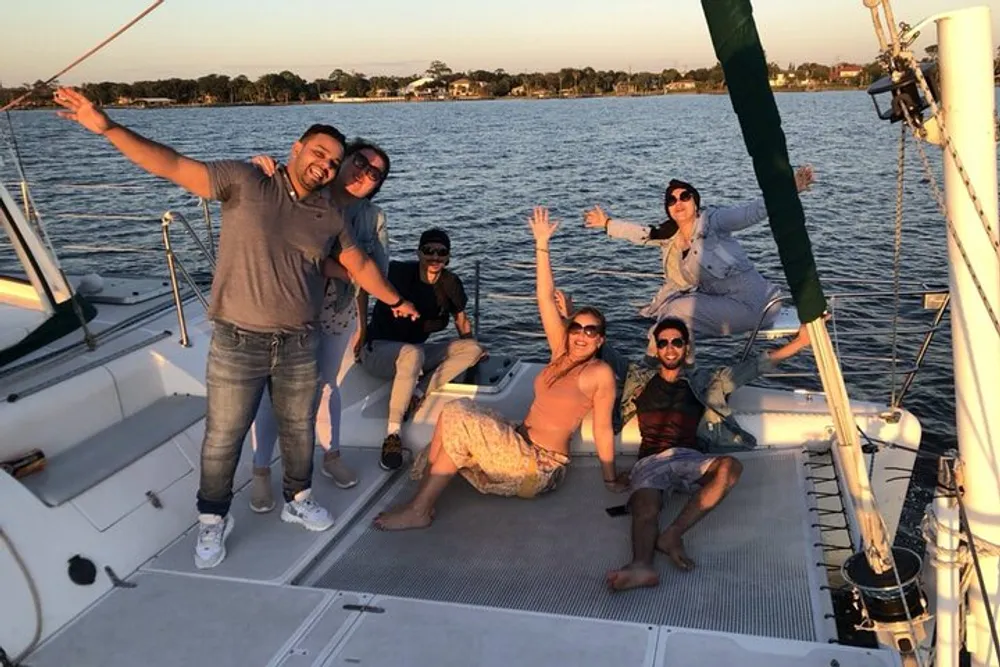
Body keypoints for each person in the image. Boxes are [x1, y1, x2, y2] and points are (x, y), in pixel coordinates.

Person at [52, 87, 418, 570]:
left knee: (299, 428)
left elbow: (357, 268)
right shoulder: (247, 179)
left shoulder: (330, 215)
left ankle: (298, 498)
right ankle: (212, 519)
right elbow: (172, 164)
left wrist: (399, 300)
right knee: (223, 437)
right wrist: (109, 128)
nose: (326, 166)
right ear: (296, 149)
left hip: (299, 339)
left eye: (332, 162)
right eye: (320, 154)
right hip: (237, 339)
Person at [373, 206, 627, 531]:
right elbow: (544, 298)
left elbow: (604, 429)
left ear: (600, 340)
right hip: (519, 442)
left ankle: (420, 508)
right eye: (576, 327)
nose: (581, 335)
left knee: (459, 420)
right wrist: (541, 245)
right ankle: (422, 498)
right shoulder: (559, 352)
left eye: (590, 331)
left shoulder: (598, 373)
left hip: (540, 467)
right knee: (457, 409)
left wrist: (610, 479)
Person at [605, 316, 813, 591]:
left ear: (686, 347)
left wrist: (800, 342)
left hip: (689, 457)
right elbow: (601, 348)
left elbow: (754, 367)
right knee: (646, 508)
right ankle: (641, 567)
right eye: (663, 342)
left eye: (677, 342)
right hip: (650, 462)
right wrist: (569, 317)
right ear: (655, 348)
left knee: (731, 467)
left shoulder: (707, 381)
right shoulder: (638, 377)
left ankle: (673, 535)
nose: (670, 348)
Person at [247, 140, 391, 512]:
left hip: (336, 310)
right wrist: (260, 167)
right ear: (342, 161)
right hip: (289, 307)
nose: (364, 173)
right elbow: (265, 205)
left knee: (327, 385)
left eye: (375, 173)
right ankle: (261, 471)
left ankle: (331, 456)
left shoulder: (373, 219)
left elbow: (372, 275)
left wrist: (362, 320)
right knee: (271, 390)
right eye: (359, 161)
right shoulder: (299, 193)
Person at [583, 167, 815, 347]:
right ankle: (673, 372)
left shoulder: (714, 221)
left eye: (684, 196)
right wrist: (607, 224)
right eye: (672, 201)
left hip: (755, 303)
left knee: (675, 312)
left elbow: (751, 212)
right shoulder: (670, 237)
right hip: (724, 303)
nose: (678, 203)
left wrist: (789, 189)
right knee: (671, 312)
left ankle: (658, 371)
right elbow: (641, 233)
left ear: (696, 202)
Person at [359, 228, 485, 471]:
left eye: (441, 252)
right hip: (379, 350)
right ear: (418, 252)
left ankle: (418, 393)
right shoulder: (397, 272)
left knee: (473, 349)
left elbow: (461, 319)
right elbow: (364, 283)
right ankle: (393, 435)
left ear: (448, 257)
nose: (435, 257)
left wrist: (470, 347)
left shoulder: (450, 283)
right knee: (412, 354)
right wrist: (360, 331)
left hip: (415, 351)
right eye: (429, 251)